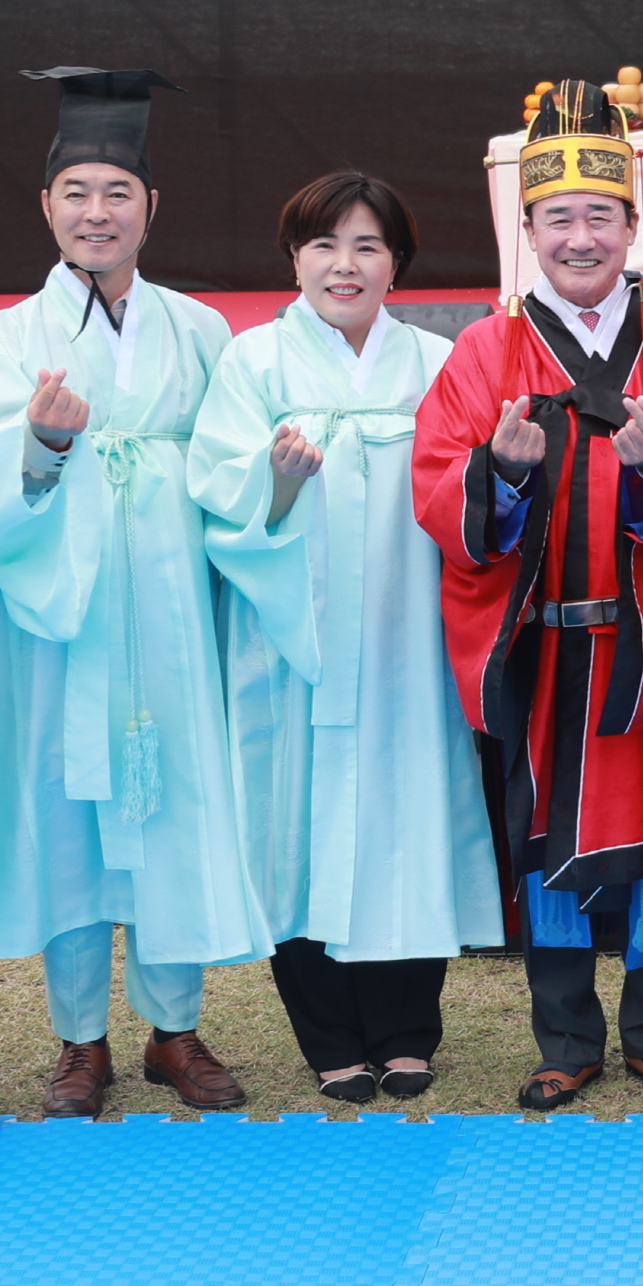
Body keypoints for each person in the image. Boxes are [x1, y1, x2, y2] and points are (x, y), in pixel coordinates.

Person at [411, 81, 643, 1110]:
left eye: (601, 215)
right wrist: (502, 475)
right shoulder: (486, 350)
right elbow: (437, 484)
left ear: (630, 226)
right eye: (558, 217)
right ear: (528, 232)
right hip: (546, 646)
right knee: (546, 846)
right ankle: (563, 1036)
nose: (580, 238)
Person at [0, 68, 267, 1118]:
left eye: (117, 192)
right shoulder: (6, 337)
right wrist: (39, 444)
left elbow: (231, 461)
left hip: (170, 612)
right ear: (46, 206)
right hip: (61, 618)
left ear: (150, 207)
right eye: (76, 192)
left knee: (173, 805)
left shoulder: (200, 330)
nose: (96, 212)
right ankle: (80, 1040)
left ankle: (175, 1029)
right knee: (67, 812)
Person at [192, 173, 504, 1104]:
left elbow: (472, 492)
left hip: (410, 638)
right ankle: (329, 1036)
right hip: (296, 645)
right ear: (294, 258)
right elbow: (220, 494)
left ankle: (407, 1030)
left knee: (411, 816)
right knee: (297, 823)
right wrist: (279, 482)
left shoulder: (437, 362)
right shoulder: (254, 362)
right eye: (324, 245)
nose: (345, 264)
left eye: (368, 246)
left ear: (396, 263)